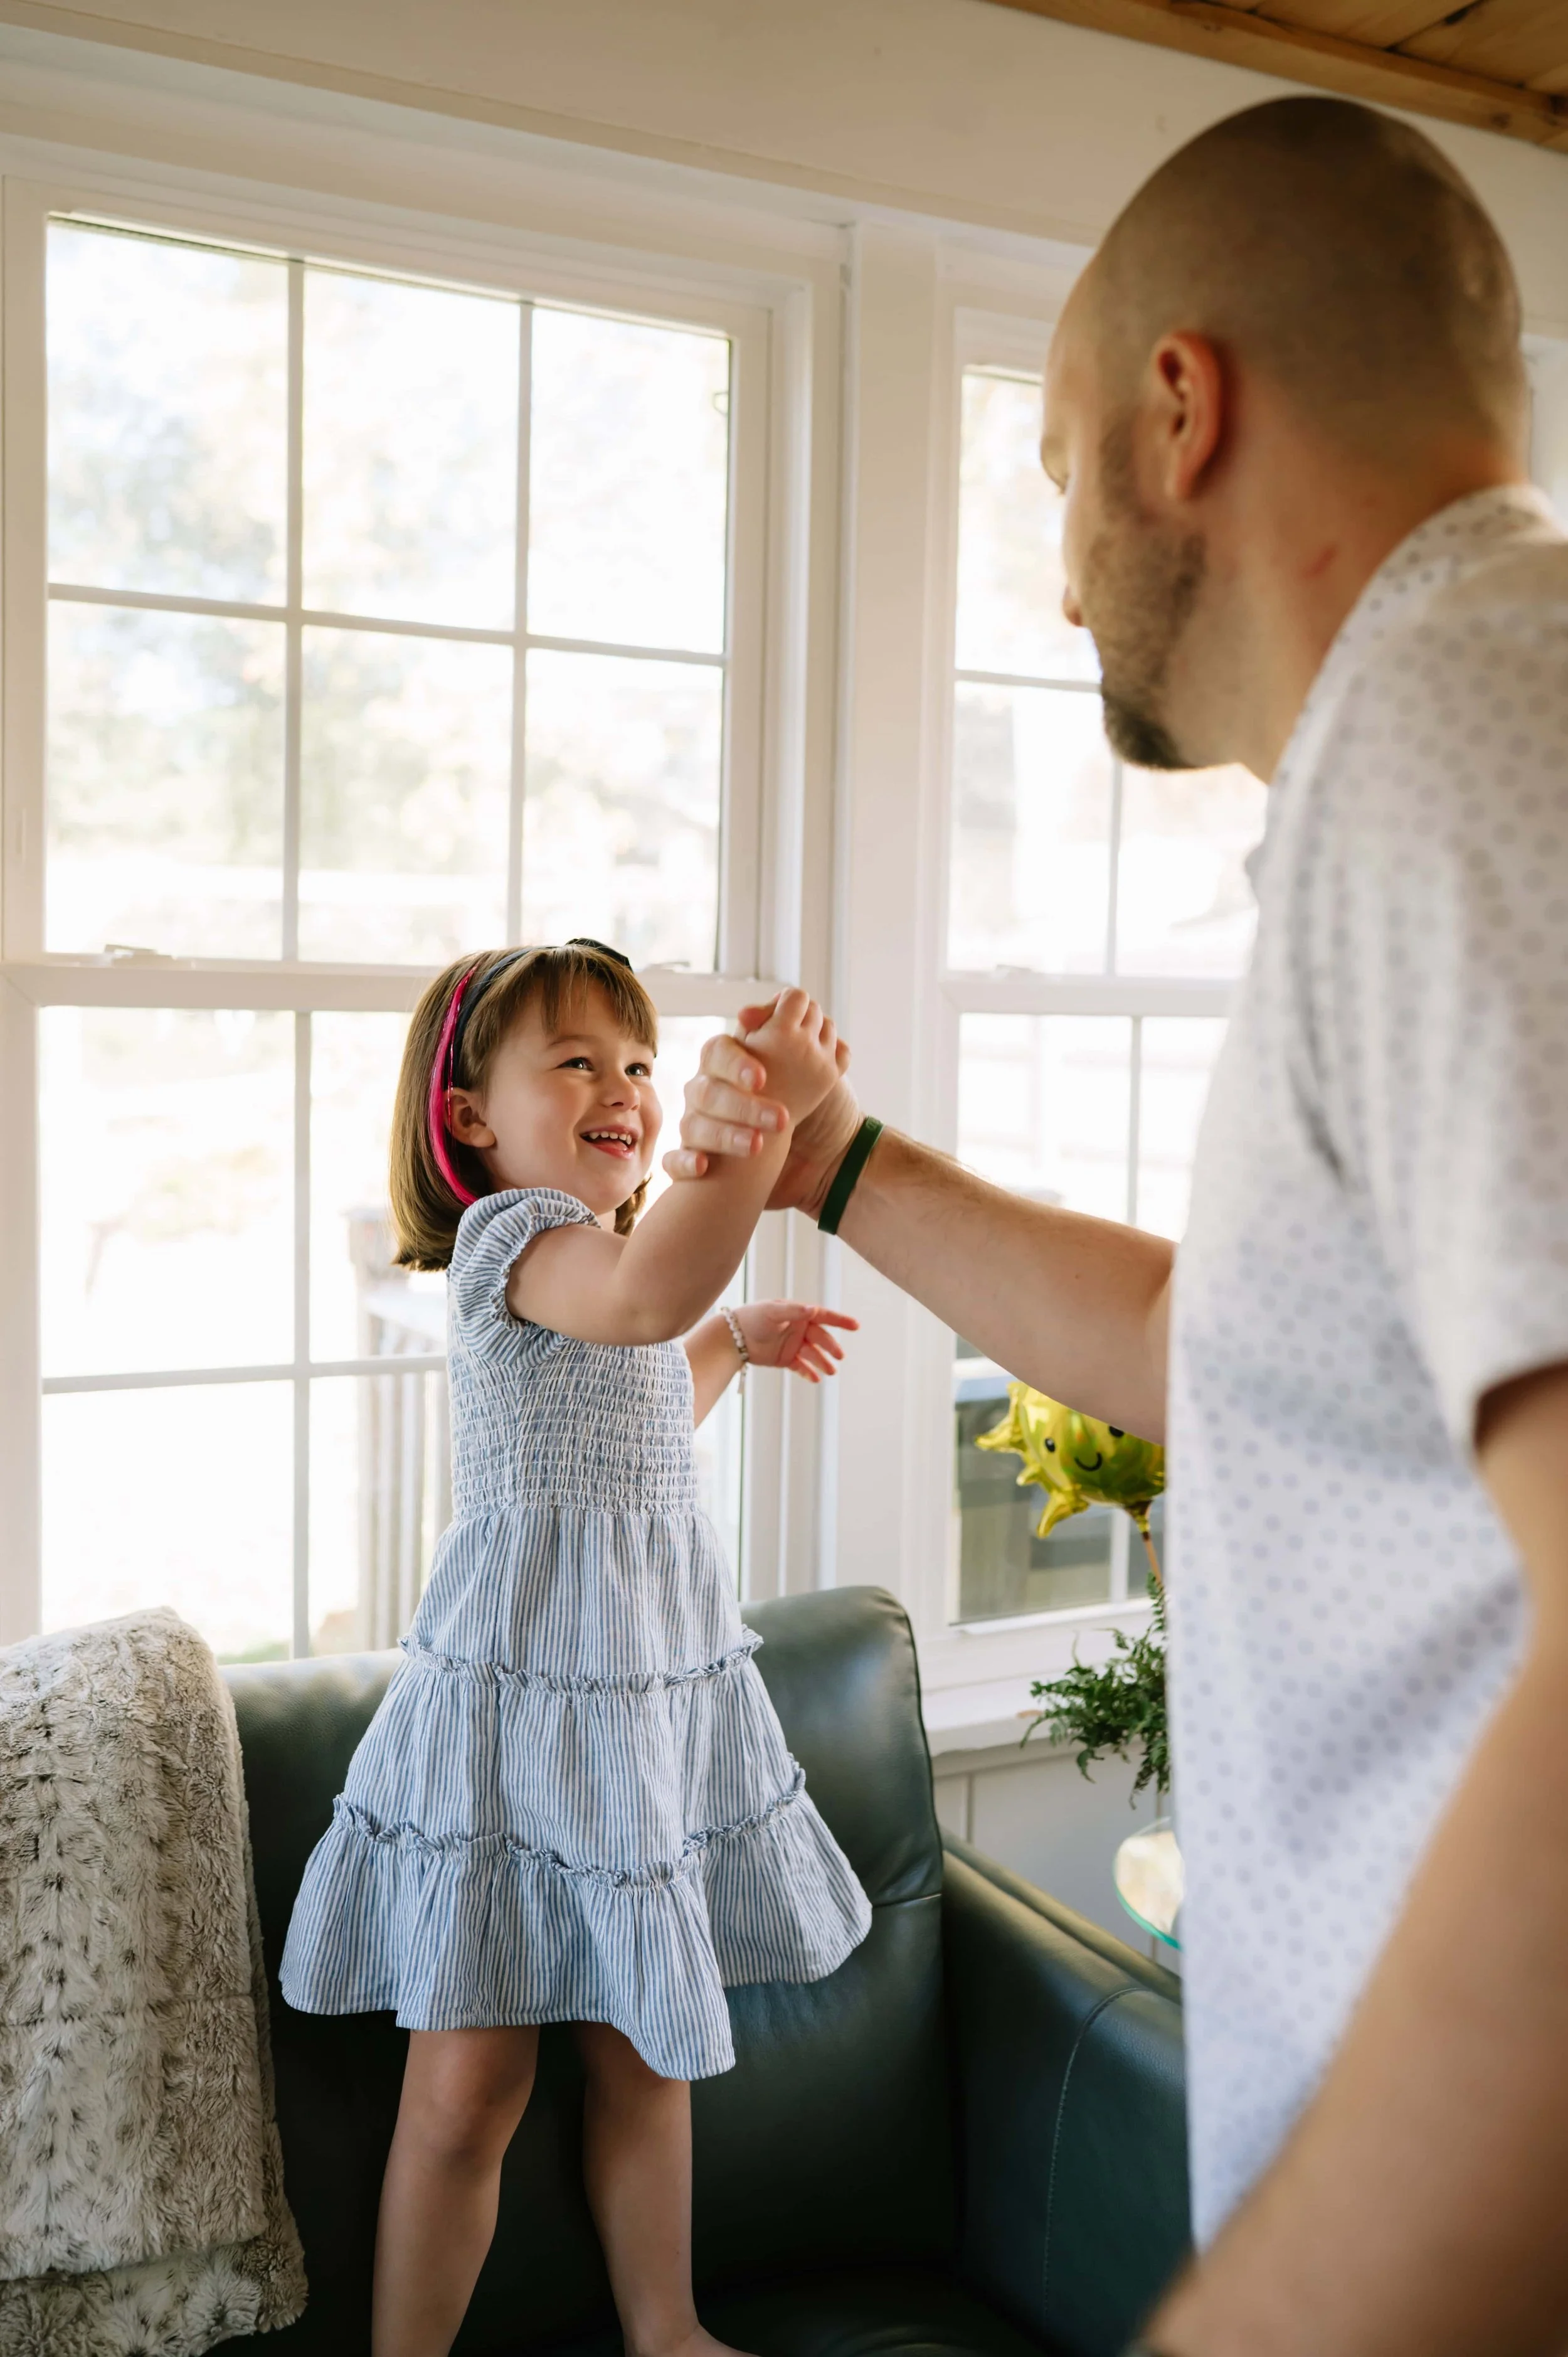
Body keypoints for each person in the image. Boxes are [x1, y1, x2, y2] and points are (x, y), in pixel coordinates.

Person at [666, 97, 1568, 2357]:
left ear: (1185, 408)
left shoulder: (1477, 725)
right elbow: (1225, 1357)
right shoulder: (1433, 759)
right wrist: (843, 1167)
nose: (1062, 572)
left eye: (1061, 468)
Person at [280, 939, 870, 2357]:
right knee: (467, 2089)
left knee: (644, 2048)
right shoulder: (514, 1247)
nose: (625, 1088)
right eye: (577, 1061)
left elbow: (644, 1390)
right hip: (516, 1729)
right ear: (470, 1119)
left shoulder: (607, 1272)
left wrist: (733, 1341)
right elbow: (641, 1301)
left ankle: (664, 2329)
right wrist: (757, 1132)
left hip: (638, 1727)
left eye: (642, 1065)